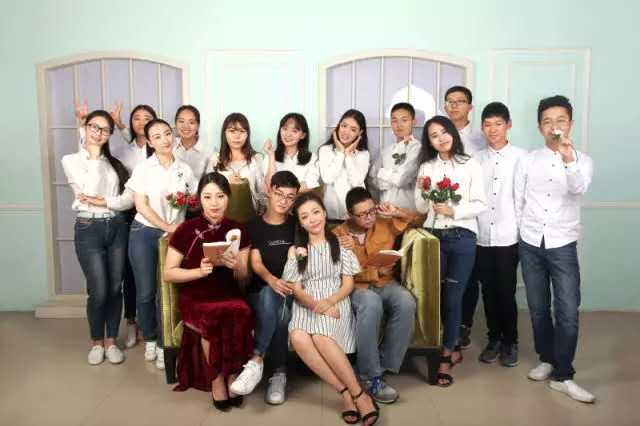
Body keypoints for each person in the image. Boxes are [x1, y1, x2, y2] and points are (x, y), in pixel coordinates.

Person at [515, 95, 595, 403]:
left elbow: (578, 187)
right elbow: (519, 199)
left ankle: (564, 375)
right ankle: (547, 359)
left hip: (562, 243)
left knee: (567, 310)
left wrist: (567, 158)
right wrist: (522, 234)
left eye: (560, 120)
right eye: (547, 121)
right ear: (539, 126)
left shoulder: (582, 160)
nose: (554, 126)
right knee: (538, 308)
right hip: (531, 242)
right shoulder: (528, 160)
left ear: (570, 124)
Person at [283, 192, 380, 425]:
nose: (312, 219)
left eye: (316, 212)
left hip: (335, 299)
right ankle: (345, 393)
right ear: (300, 222)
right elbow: (295, 288)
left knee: (321, 336)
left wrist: (329, 303)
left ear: (325, 213)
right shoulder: (296, 250)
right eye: (305, 216)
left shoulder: (341, 243)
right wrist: (317, 306)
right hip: (307, 302)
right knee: (297, 336)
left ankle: (359, 394)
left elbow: (348, 284)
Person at [163, 172, 253, 411]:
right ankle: (217, 379)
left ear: (228, 198)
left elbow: (244, 278)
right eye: (208, 196)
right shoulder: (186, 229)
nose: (214, 203)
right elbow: (169, 273)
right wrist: (199, 272)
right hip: (196, 295)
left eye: (220, 196)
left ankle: (233, 374)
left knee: (240, 310)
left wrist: (237, 266)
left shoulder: (238, 230)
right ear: (199, 199)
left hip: (228, 293)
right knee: (211, 315)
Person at [414, 115, 486, 387]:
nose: (441, 138)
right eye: (434, 135)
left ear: (453, 134)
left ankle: (446, 356)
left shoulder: (470, 164)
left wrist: (453, 210)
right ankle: (447, 346)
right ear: (429, 142)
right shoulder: (426, 167)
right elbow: (420, 208)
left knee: (453, 298)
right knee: (434, 298)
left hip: (462, 237)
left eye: (444, 132)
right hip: (433, 237)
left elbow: (480, 203)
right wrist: (424, 191)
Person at [61, 110, 134, 365]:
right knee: (99, 290)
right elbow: (88, 189)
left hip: (116, 226)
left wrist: (106, 201)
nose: (99, 132)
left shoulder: (113, 164)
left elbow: (125, 200)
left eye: (104, 129)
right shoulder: (71, 160)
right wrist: (92, 152)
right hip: (88, 228)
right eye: (94, 126)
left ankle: (111, 341)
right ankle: (96, 342)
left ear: (110, 134)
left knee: (115, 288)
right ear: (85, 127)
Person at [333, 188, 417, 403]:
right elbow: (339, 273)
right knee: (371, 303)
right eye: (362, 214)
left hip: (386, 283)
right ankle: (370, 376)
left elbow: (418, 219)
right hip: (356, 288)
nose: (369, 217)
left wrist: (396, 211)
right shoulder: (338, 235)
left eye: (371, 211)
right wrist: (372, 270)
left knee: (406, 301)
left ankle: (380, 365)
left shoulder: (384, 222)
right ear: (349, 215)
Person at [126, 118, 198, 370]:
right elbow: (140, 205)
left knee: (165, 292)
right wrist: (166, 226)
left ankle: (164, 343)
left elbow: (193, 201)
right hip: (144, 232)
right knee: (146, 292)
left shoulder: (184, 169)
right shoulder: (144, 169)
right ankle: (150, 337)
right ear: (149, 141)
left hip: (173, 236)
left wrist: (186, 211)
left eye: (167, 133)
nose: (165, 139)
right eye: (157, 136)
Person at [229, 171, 301, 404]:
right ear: (269, 191)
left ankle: (256, 360)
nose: (284, 201)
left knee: (283, 308)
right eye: (279, 194)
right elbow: (256, 262)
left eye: (290, 197)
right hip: (261, 290)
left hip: (291, 290)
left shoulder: (297, 224)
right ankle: (278, 372)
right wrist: (272, 280)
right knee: (276, 302)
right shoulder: (253, 225)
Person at [474, 102, 527, 367]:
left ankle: (510, 341)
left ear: (508, 125)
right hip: (482, 234)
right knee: (488, 290)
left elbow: (525, 198)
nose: (492, 129)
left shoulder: (522, 157)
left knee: (506, 291)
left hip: (509, 235)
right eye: (487, 124)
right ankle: (493, 339)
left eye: (498, 124)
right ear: (482, 128)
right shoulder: (475, 159)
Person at [443, 86, 486, 348]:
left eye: (460, 102)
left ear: (470, 107)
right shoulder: (441, 134)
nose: (454, 106)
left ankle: (464, 325)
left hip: (471, 217)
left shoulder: (481, 139)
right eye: (450, 102)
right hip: (442, 218)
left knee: (469, 277)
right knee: (446, 277)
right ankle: (447, 326)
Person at [206, 113, 266, 215]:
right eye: (232, 131)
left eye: (242, 131)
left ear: (247, 134)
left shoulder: (256, 159)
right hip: (221, 216)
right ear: (224, 133)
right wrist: (227, 183)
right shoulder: (215, 159)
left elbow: (262, 192)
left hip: (250, 215)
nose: (237, 136)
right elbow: (207, 190)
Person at [318, 109, 370, 220]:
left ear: (360, 132)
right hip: (332, 209)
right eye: (344, 126)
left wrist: (348, 155)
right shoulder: (325, 150)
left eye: (353, 129)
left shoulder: (363, 154)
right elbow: (327, 179)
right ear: (338, 126)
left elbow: (356, 182)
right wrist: (341, 153)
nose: (346, 132)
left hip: (357, 210)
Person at [370, 102, 422, 210]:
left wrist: (382, 173)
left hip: (406, 211)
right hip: (384, 210)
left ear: (413, 122)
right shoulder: (385, 151)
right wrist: (393, 176)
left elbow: (402, 179)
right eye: (394, 121)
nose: (399, 125)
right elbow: (373, 179)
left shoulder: (417, 148)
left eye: (404, 120)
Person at [263, 113, 320, 192]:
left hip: (301, 200)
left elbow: (310, 184)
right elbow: (269, 185)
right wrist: (271, 156)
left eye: (294, 131)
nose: (288, 134)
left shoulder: (312, 158)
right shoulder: (269, 157)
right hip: (276, 200)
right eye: (285, 129)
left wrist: (282, 192)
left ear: (303, 135)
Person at [173, 105, 209, 182]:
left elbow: (210, 182)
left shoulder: (208, 152)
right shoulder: (169, 146)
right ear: (175, 124)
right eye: (181, 121)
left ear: (198, 126)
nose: (186, 126)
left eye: (191, 122)